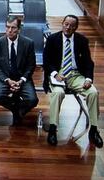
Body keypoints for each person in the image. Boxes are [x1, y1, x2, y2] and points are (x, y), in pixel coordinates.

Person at [43, 15, 102, 148]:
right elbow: (47, 61)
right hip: (59, 74)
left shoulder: (82, 40)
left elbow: (88, 63)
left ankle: (93, 130)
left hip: (76, 75)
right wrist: (55, 73)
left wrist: (88, 78)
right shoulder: (53, 39)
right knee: (57, 94)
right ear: (62, 24)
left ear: (76, 27)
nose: (68, 27)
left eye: (71, 25)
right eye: (66, 24)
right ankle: (53, 129)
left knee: (93, 93)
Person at [0, 16, 38, 125]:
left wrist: (21, 80)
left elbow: (31, 65)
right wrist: (7, 80)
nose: (10, 30)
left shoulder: (28, 43)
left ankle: (18, 111)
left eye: (13, 28)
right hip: (4, 78)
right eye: (7, 27)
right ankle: (16, 109)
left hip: (22, 78)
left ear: (19, 29)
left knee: (33, 100)